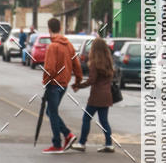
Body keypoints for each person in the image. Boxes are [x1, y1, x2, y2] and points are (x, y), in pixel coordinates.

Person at [41, 17, 82, 154]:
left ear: (49, 29)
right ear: (60, 28)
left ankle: (58, 142)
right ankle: (67, 135)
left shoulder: (53, 47)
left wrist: (45, 81)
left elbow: (50, 68)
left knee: (52, 113)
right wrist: (77, 81)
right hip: (64, 84)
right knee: (51, 111)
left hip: (53, 84)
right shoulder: (68, 45)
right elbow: (76, 64)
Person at [71, 37, 115, 152]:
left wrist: (78, 85)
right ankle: (109, 144)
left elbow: (92, 80)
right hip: (107, 95)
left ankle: (82, 143)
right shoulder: (109, 62)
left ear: (94, 49)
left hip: (96, 96)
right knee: (104, 121)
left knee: (86, 118)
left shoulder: (95, 63)